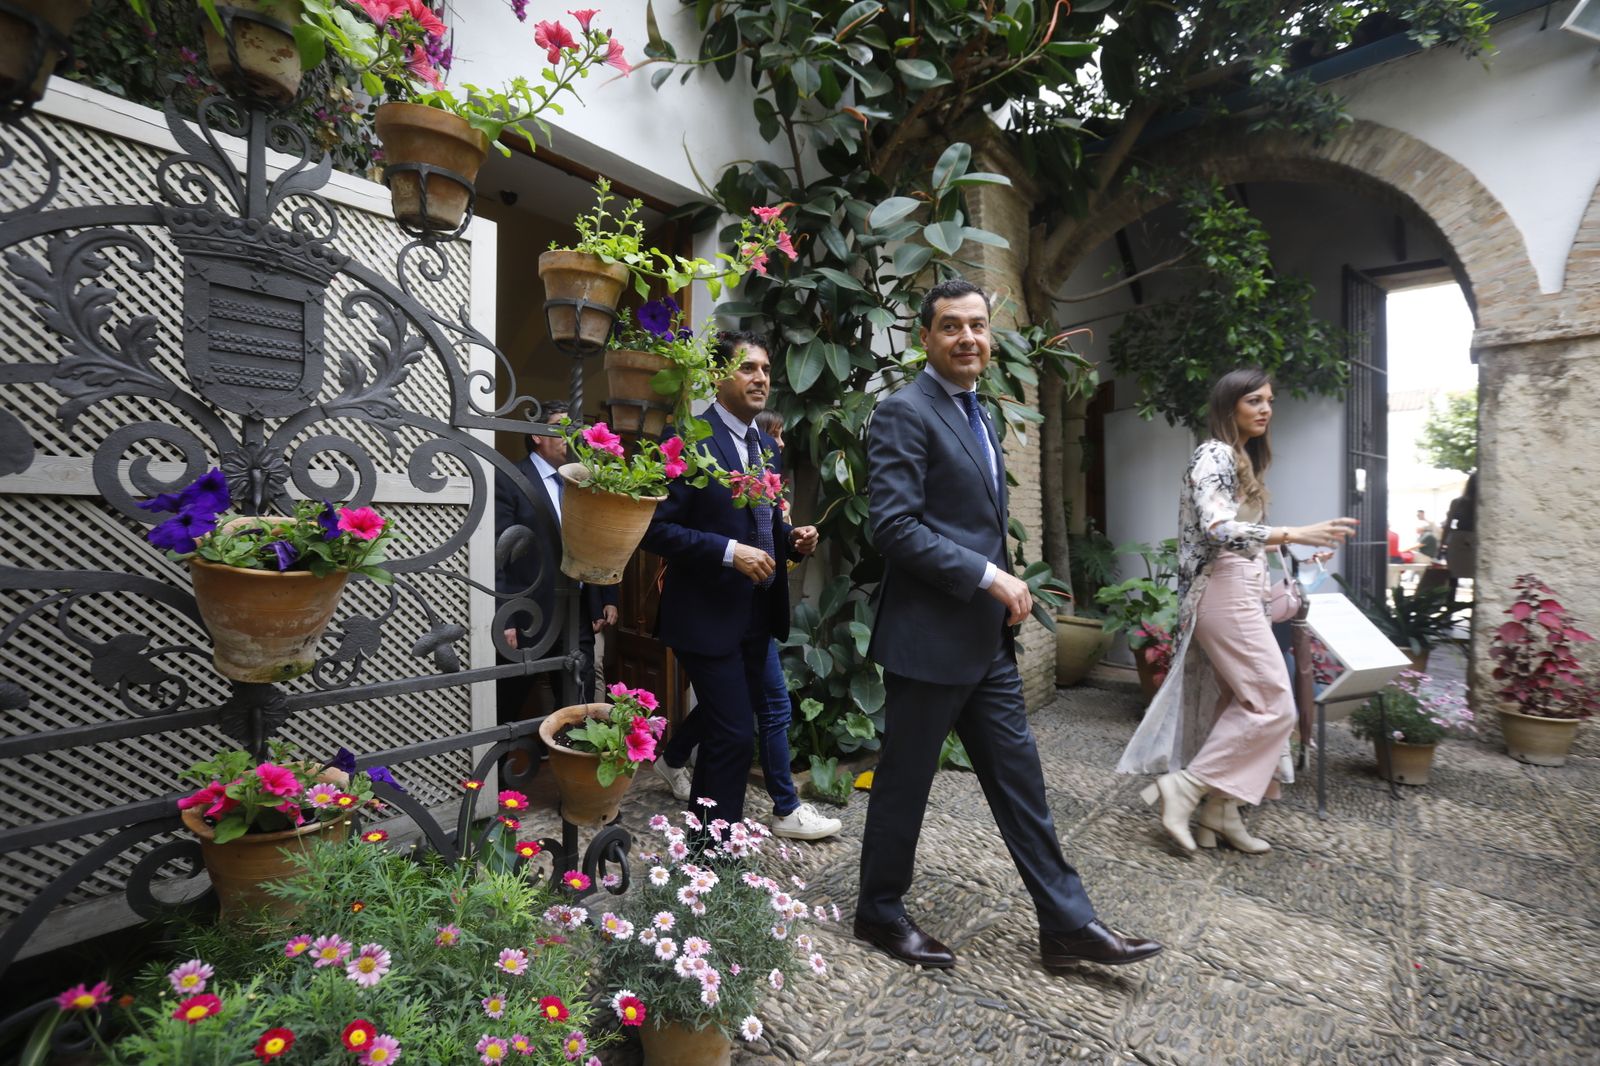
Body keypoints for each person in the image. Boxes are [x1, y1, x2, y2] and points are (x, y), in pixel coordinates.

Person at [855, 278, 1162, 973]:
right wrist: (989, 576)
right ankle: (878, 913)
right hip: (929, 642)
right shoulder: (907, 412)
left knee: (1022, 784)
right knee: (904, 786)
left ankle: (1068, 924)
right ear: (925, 339)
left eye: (978, 326)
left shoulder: (979, 414)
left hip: (984, 644)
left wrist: (994, 585)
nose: (968, 338)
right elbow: (894, 527)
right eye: (951, 327)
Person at [1117, 368, 1357, 854]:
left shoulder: (1243, 459)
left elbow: (1243, 539)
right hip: (1223, 592)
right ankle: (1184, 788)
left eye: (1269, 400)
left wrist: (1296, 552)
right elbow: (1217, 528)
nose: (1266, 409)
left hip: (1242, 590)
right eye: (1254, 401)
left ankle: (1219, 814)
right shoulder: (1214, 454)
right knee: (1274, 705)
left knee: (1242, 705)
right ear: (1230, 407)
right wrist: (1293, 532)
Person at [642, 332, 820, 830]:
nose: (760, 378)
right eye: (747, 368)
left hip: (755, 615)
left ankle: (708, 849)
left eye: (765, 369)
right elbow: (654, 530)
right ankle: (717, 856)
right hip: (704, 615)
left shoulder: (766, 446)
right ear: (719, 376)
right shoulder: (687, 440)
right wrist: (727, 553)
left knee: (727, 735)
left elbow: (761, 524)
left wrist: (790, 540)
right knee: (736, 734)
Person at [746, 407, 841, 841]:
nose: (781, 444)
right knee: (776, 708)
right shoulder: (747, 482)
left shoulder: (773, 491)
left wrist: (796, 545)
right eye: (775, 435)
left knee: (727, 708)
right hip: (743, 610)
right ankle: (785, 807)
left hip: (761, 611)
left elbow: (776, 559)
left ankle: (672, 759)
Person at [493, 401, 618, 727]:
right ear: (536, 435)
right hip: (528, 615)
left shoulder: (581, 481)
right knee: (509, 704)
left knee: (580, 707)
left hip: (578, 613)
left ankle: (574, 769)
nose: (571, 438)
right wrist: (504, 614)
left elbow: (597, 540)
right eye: (563, 429)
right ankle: (497, 774)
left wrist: (605, 597)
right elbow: (499, 550)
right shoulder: (511, 478)